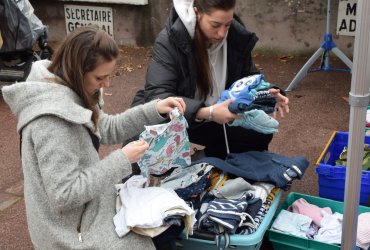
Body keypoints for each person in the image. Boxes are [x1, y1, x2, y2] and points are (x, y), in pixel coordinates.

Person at [1, 25, 186, 250]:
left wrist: (154, 109)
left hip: (83, 212)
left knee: (166, 222)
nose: (107, 84)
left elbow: (105, 127)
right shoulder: (51, 122)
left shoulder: (72, 88)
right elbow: (65, 195)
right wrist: (122, 160)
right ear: (77, 71)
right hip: (67, 231)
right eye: (101, 77)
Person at [132, 0, 290, 160]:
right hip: (181, 118)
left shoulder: (235, 36)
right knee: (140, 134)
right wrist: (208, 113)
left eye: (227, 25)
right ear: (196, 13)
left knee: (259, 131)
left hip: (220, 117)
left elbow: (248, 77)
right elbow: (158, 95)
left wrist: (266, 92)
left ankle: (208, 158)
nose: (222, 33)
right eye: (215, 25)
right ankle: (143, 178)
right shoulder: (169, 40)